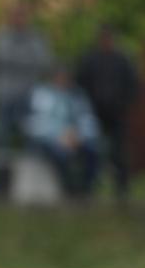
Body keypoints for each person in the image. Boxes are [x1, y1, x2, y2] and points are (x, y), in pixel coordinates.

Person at [0, 3, 53, 196]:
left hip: (29, 97)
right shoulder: (1, 37)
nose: (19, 20)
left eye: (21, 16)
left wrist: (17, 60)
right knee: (1, 140)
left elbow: (44, 61)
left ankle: (30, 187)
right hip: (6, 97)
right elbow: (0, 56)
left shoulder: (36, 38)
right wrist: (26, 60)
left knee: (32, 140)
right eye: (15, 16)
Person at [76, 25, 139, 201]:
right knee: (91, 148)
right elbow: (80, 82)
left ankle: (122, 189)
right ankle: (88, 187)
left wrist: (124, 103)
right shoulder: (90, 60)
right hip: (94, 112)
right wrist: (86, 105)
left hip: (116, 113)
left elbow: (133, 84)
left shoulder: (122, 60)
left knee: (118, 151)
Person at [25, 66, 101, 198]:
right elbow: (38, 123)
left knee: (93, 151)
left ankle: (86, 189)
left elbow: (87, 119)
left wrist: (79, 136)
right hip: (50, 139)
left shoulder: (78, 96)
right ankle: (68, 190)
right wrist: (59, 136)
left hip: (76, 138)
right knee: (61, 155)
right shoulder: (43, 95)